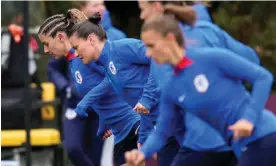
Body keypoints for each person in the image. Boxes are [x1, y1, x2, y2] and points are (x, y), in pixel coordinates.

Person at [125, 14, 276, 166]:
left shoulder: (210, 57)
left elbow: (263, 77)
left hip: (264, 134)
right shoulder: (172, 88)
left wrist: (248, 119)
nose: (147, 53)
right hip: (242, 146)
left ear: (170, 39)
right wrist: (141, 154)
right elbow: (162, 132)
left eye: (151, 45)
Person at [68, 12, 188, 166]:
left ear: (91, 39)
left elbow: (159, 57)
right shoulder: (107, 66)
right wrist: (143, 135)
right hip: (166, 128)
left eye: (77, 47)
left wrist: (148, 98)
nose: (76, 54)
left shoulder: (121, 48)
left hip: (181, 118)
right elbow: (140, 104)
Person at [39, 9, 139, 166]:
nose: (45, 50)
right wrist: (105, 120)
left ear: (59, 37)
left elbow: (115, 76)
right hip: (118, 129)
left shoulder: (87, 56)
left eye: (46, 44)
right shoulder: (74, 61)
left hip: (132, 123)